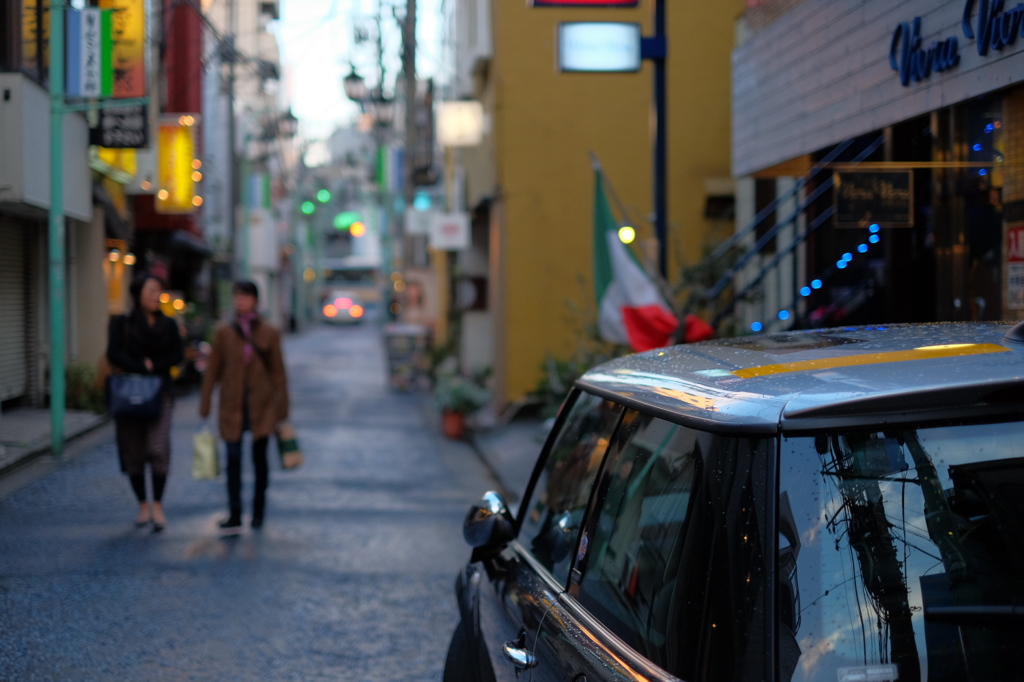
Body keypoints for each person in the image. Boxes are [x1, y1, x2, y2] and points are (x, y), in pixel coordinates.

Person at [200, 280, 290, 529]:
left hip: (262, 405)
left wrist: (283, 406)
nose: (241, 301)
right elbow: (212, 371)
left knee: (260, 460)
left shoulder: (269, 332)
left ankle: (258, 512)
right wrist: (205, 402)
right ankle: (235, 512)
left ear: (256, 300)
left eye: (246, 297)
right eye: (238, 296)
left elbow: (278, 371)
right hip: (232, 405)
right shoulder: (223, 332)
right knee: (233, 459)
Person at [106, 272, 184, 532]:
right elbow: (113, 352)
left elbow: (177, 355)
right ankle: (142, 505)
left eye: (158, 291)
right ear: (138, 293)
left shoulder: (169, 325)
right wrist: (139, 366)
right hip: (128, 392)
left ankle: (158, 505)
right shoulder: (124, 322)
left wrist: (154, 367)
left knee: (158, 449)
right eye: (150, 290)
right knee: (133, 450)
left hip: (160, 392)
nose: (155, 296)